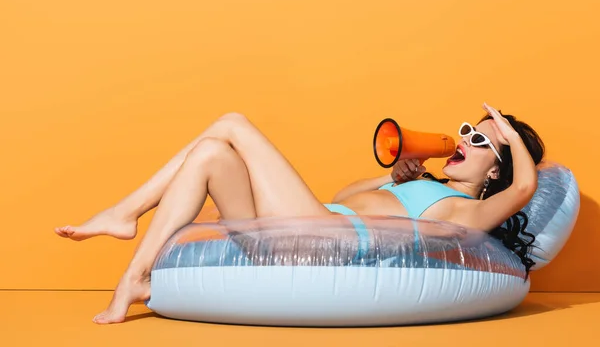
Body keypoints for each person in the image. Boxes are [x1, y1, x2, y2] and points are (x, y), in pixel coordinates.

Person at [54, 102, 544, 324]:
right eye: (467, 129)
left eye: (480, 140)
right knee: (210, 154)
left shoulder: (468, 214)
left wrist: (511, 132)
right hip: (303, 226)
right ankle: (134, 269)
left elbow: (525, 186)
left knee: (232, 123)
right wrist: (392, 178)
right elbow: (343, 193)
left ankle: (124, 228)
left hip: (322, 241)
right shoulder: (424, 184)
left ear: (496, 167)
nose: (463, 140)